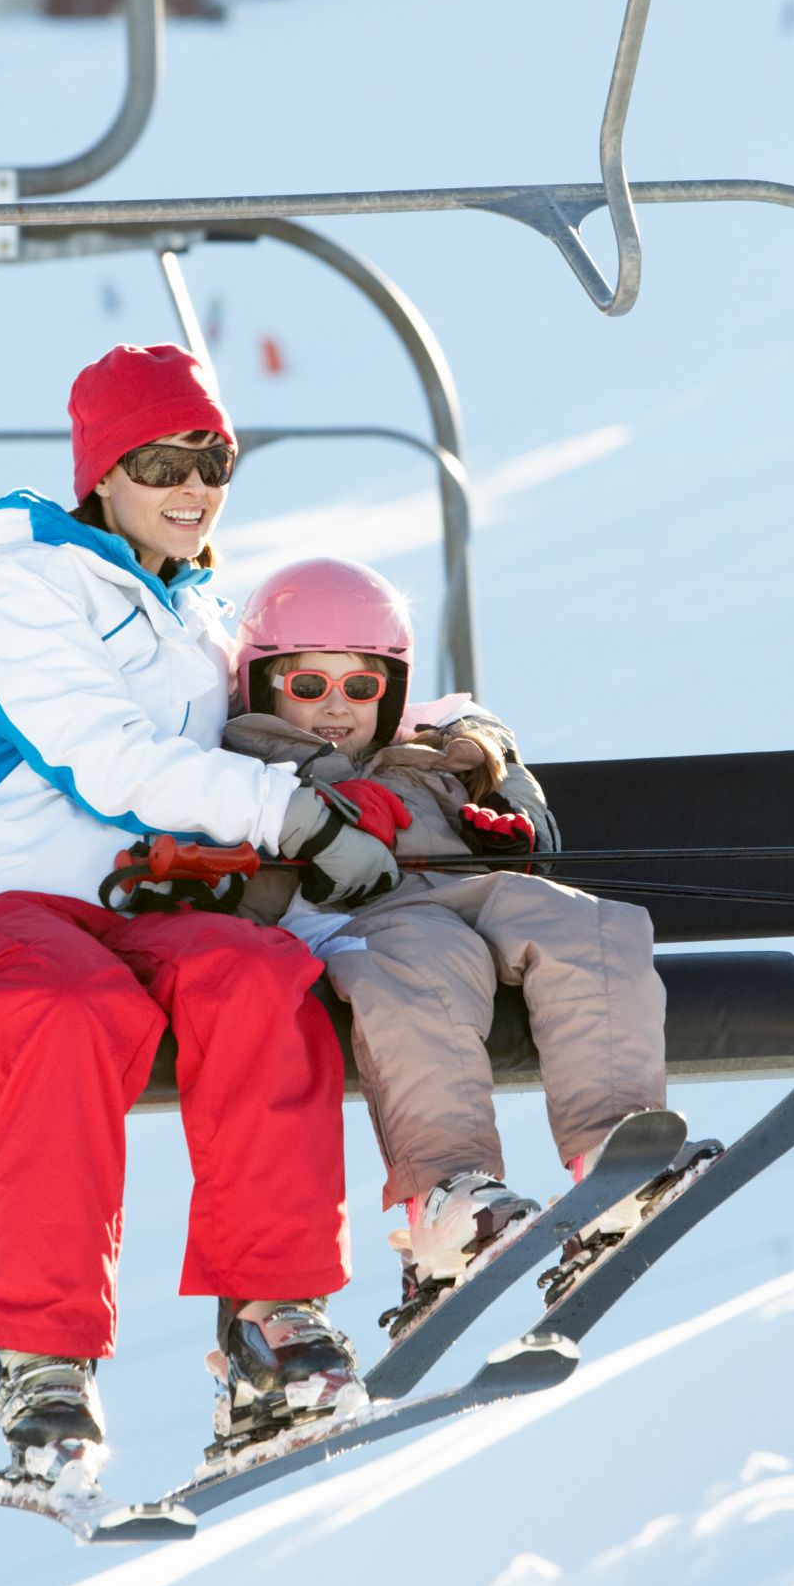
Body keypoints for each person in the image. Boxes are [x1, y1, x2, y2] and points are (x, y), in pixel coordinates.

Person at [0, 344, 402, 1494]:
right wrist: (292, 819)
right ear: (102, 474)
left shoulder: (194, 606)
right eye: (165, 460)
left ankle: (271, 1324)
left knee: (256, 971)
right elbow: (102, 760)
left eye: (215, 459)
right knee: (71, 1008)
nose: (194, 486)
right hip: (1, 906)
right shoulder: (23, 586)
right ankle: (45, 1359)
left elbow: (284, 707)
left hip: (140, 908)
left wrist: (438, 746)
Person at [218, 558, 710, 1337]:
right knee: (426, 961)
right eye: (307, 687)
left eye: (361, 687)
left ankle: (612, 1152)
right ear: (262, 685)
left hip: (454, 893)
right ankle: (445, 1193)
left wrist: (491, 776)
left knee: (587, 923)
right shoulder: (249, 764)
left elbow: (480, 727)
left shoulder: (422, 746)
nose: (335, 709)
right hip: (354, 919)